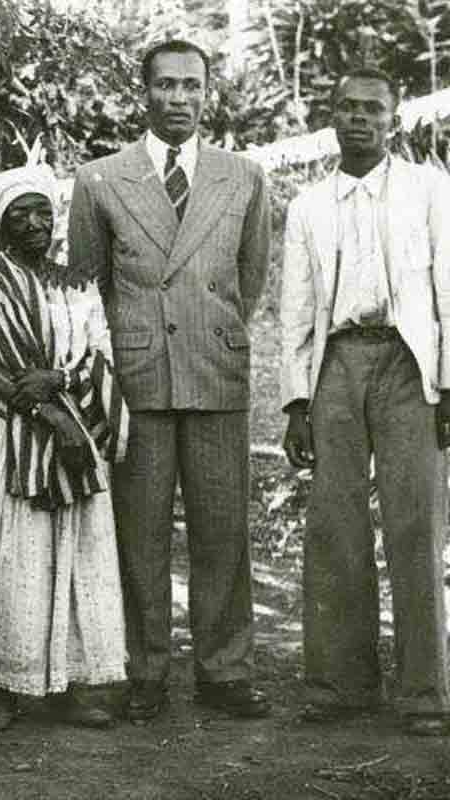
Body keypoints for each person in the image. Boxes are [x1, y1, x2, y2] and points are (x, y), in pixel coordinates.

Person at [67, 39, 271, 721]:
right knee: (139, 533)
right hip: (137, 378)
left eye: (192, 86)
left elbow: (249, 278)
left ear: (208, 95)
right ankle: (143, 669)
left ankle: (225, 669)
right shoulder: (100, 179)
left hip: (216, 372)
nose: (178, 99)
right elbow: (87, 286)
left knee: (222, 529)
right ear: (143, 93)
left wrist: (208, 328)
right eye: (165, 86)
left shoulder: (244, 176)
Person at [280, 67, 450, 736]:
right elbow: (295, 308)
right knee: (335, 525)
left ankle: (424, 694)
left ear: (394, 120)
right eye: (346, 107)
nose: (358, 119)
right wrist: (296, 402)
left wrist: (449, 385)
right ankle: (339, 684)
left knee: (415, 524)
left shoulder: (432, 191)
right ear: (330, 117)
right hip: (338, 366)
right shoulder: (307, 206)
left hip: (409, 365)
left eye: (372, 109)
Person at [0, 165, 129, 734]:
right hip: (6, 431)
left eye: (42, 212)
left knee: (76, 557)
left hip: (76, 426)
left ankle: (73, 683)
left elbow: (99, 354)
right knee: (8, 561)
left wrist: (60, 387)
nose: (33, 224)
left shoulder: (77, 284)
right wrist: (42, 409)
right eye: (19, 214)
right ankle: (4, 686)